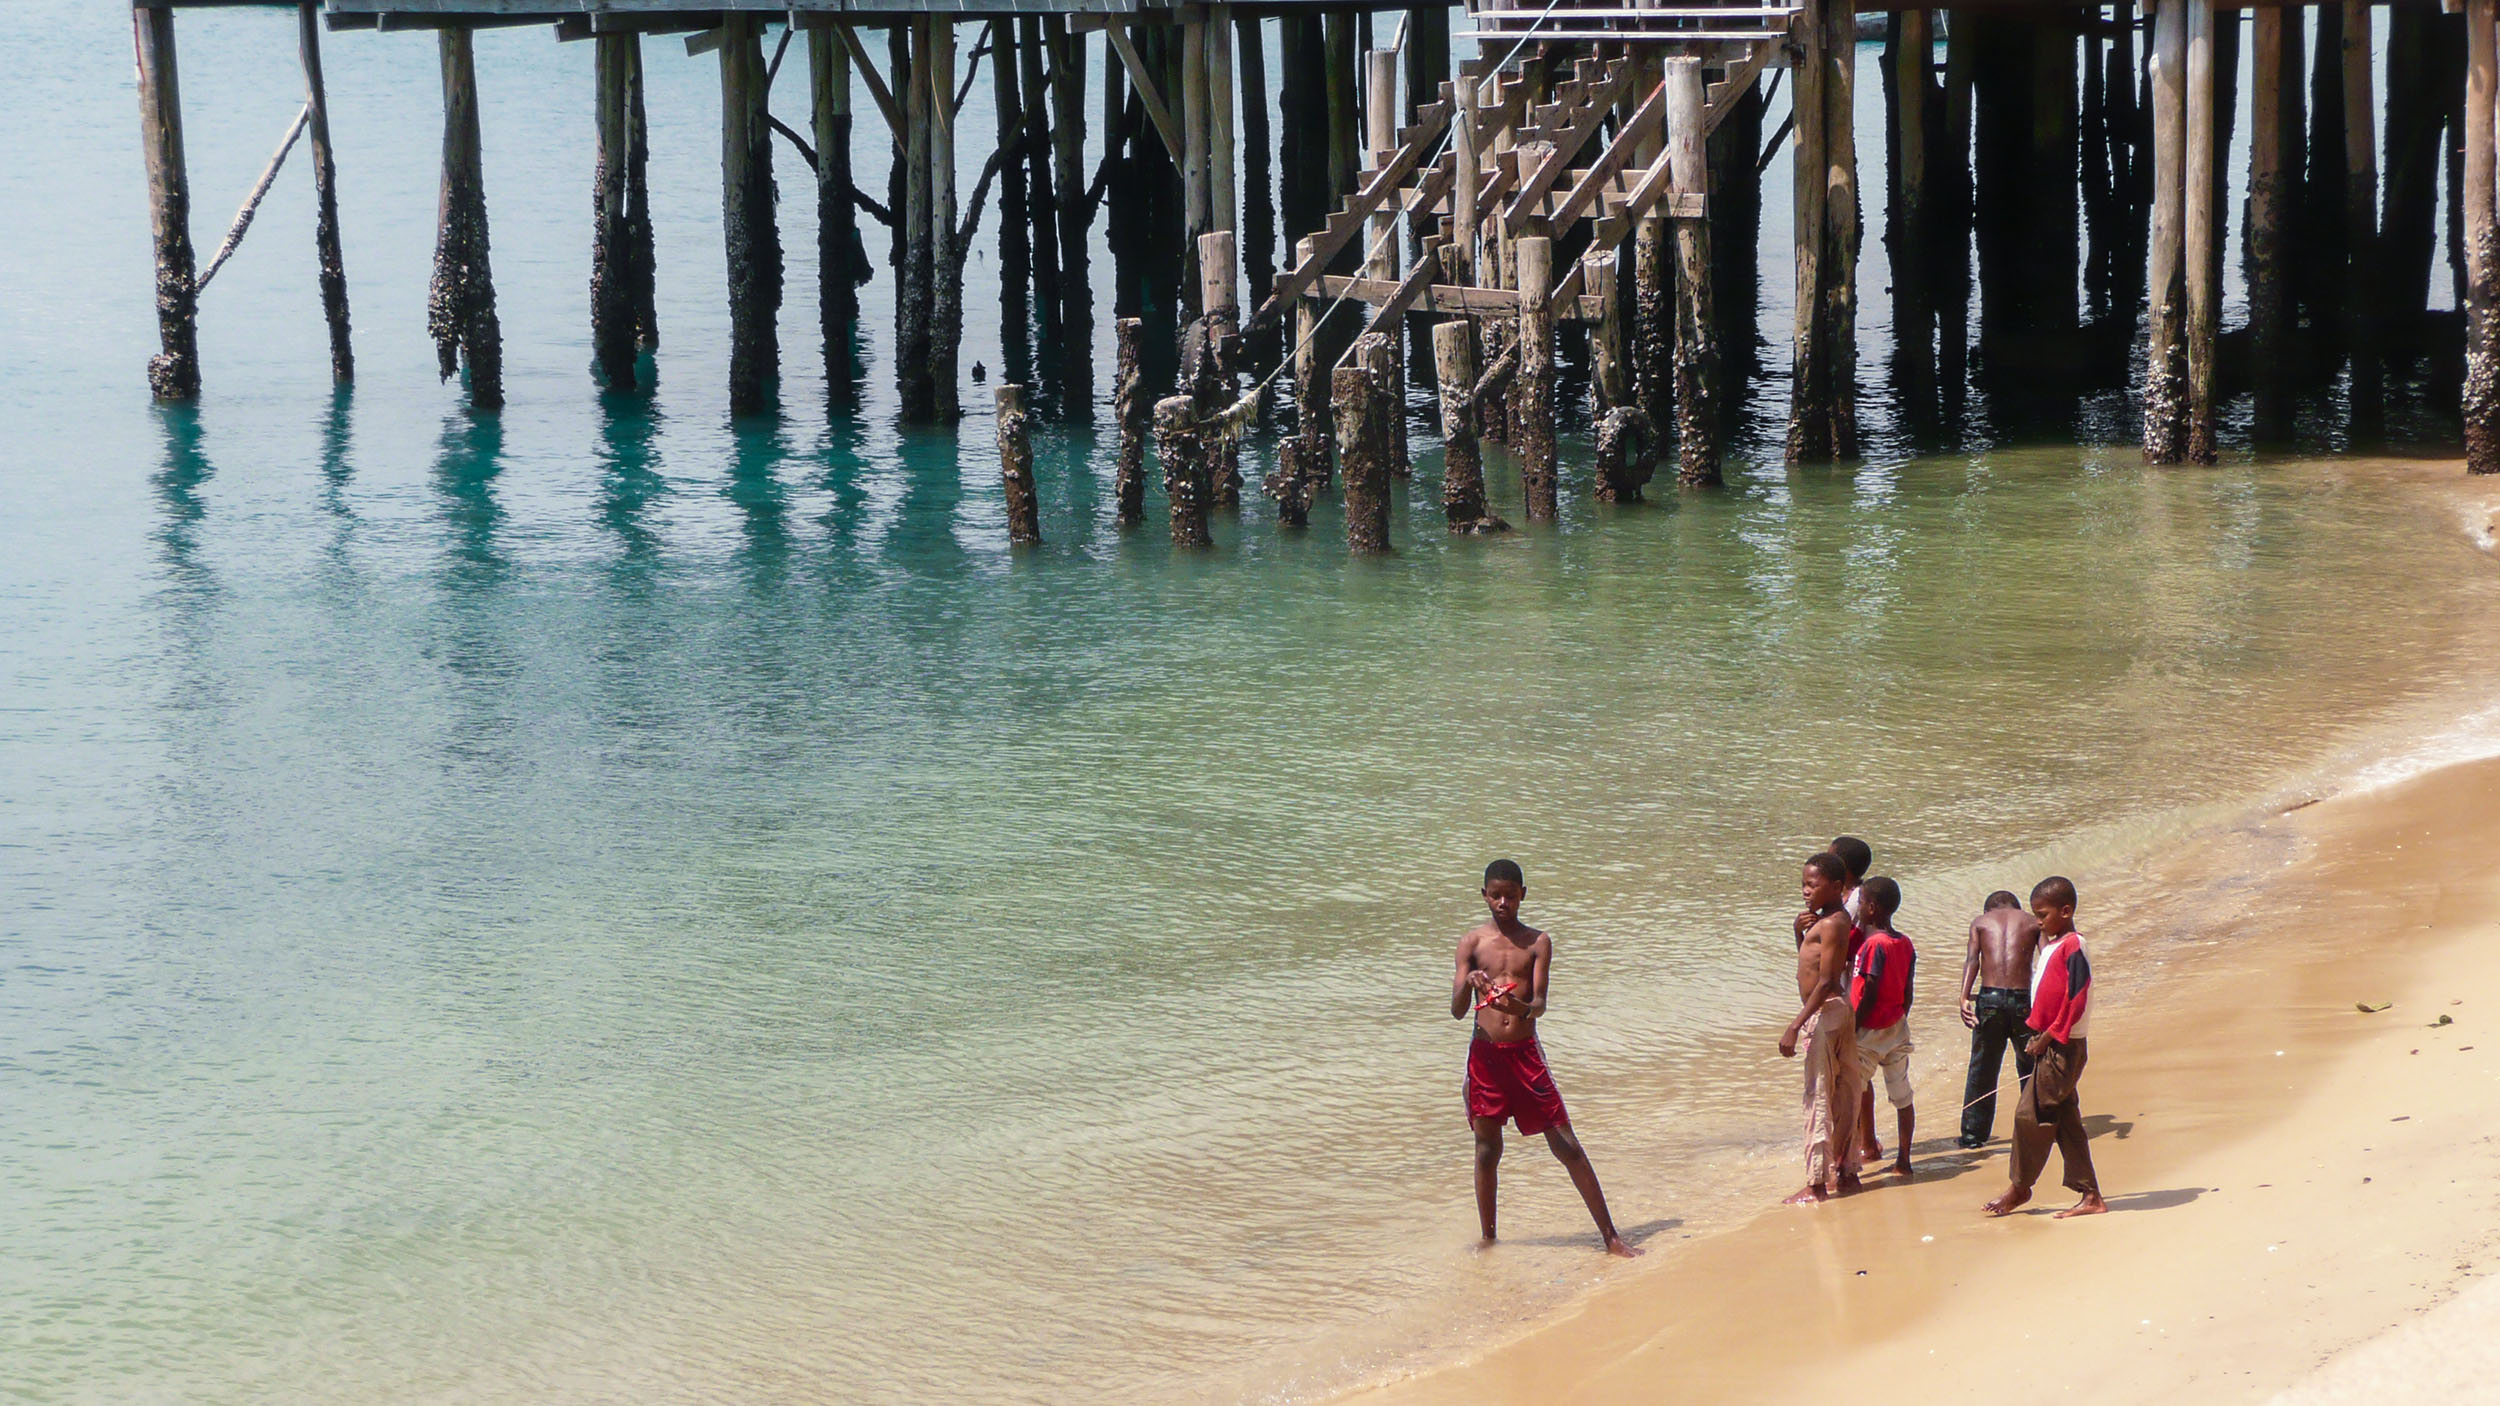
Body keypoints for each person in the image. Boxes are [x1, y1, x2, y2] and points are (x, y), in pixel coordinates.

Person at [1451, 860, 1641, 1257]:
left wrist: (1515, 1005)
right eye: (1496, 895)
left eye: (1511, 895)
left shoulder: (1537, 942)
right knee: (1487, 1151)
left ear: (1523, 895)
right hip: (1484, 1056)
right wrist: (1469, 984)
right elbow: (1455, 1010)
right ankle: (1489, 1239)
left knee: (1566, 1144)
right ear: (1483, 895)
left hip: (1524, 1055)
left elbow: (1538, 1005)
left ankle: (1611, 1237)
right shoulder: (1471, 943)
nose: (1503, 902)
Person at [1983, 877, 2109, 1219]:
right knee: (2066, 1120)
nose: (2037, 922)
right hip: (2050, 1043)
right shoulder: (2053, 945)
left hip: (2063, 1046)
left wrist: (2050, 1036)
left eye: (2043, 915)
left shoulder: (2074, 945)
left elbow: (2077, 997)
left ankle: (2020, 1187)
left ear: (2065, 912)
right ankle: (2090, 1195)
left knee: (2030, 1116)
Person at [1780, 852, 1864, 1204]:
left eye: (1812, 885)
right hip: (1836, 1013)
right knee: (1845, 1093)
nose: (1805, 891)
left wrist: (1795, 1026)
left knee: (1818, 1097)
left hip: (1825, 1014)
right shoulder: (1826, 920)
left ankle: (1816, 1184)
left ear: (1835, 886)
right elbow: (1811, 965)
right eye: (1803, 884)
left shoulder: (1832, 923)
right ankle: (1846, 1172)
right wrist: (1798, 932)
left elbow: (1828, 980)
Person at [1958, 890, 2043, 1148]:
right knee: (2031, 1064)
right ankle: (2035, 1128)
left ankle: (1973, 1136)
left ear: (1989, 910)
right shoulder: (2032, 922)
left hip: (1990, 1000)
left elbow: (1973, 960)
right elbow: (2047, 959)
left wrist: (1963, 997)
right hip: (2023, 1000)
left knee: (1983, 1067)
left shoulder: (1980, 922)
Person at [1849, 877, 1918, 1178]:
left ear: (1872, 908)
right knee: (1902, 1096)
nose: (1858, 907)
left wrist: (1853, 1026)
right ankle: (1904, 1160)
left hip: (1868, 1033)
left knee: (1850, 1094)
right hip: (1896, 1028)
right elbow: (1908, 989)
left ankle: (1846, 1165)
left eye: (1861, 902)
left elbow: (1870, 990)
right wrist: (1900, 1016)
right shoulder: (1905, 943)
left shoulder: (1872, 946)